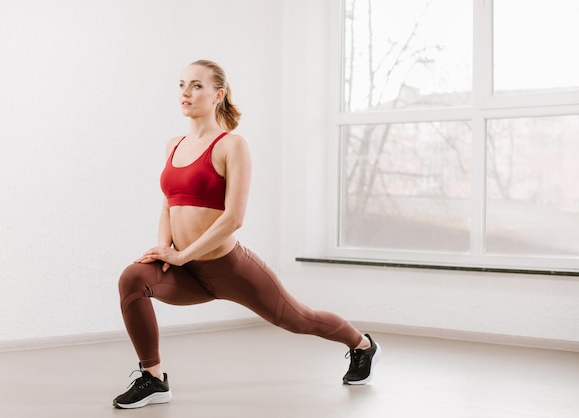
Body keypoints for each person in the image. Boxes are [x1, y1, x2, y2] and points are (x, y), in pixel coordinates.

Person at [112, 59, 380, 409]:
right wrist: (164, 251)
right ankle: (154, 379)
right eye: (181, 85)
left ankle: (361, 345)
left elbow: (234, 218)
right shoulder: (173, 145)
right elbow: (168, 203)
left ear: (217, 94)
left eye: (196, 85)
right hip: (186, 271)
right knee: (132, 278)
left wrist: (181, 254)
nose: (185, 93)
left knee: (300, 319)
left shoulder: (232, 145)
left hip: (229, 268)